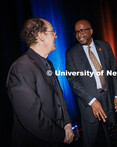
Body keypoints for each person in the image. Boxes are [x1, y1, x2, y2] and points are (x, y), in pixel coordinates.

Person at [6, 18, 74, 147]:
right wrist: (61, 135)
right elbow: (32, 118)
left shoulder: (48, 63)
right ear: (41, 36)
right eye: (52, 32)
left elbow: (59, 97)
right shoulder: (21, 67)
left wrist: (67, 124)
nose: (56, 35)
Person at [66, 19, 117, 147]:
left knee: (112, 137)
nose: (79, 35)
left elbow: (113, 71)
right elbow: (73, 80)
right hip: (89, 105)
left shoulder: (105, 46)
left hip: (108, 99)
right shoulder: (71, 54)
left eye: (82, 30)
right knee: (90, 141)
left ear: (91, 31)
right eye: (76, 32)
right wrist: (91, 101)